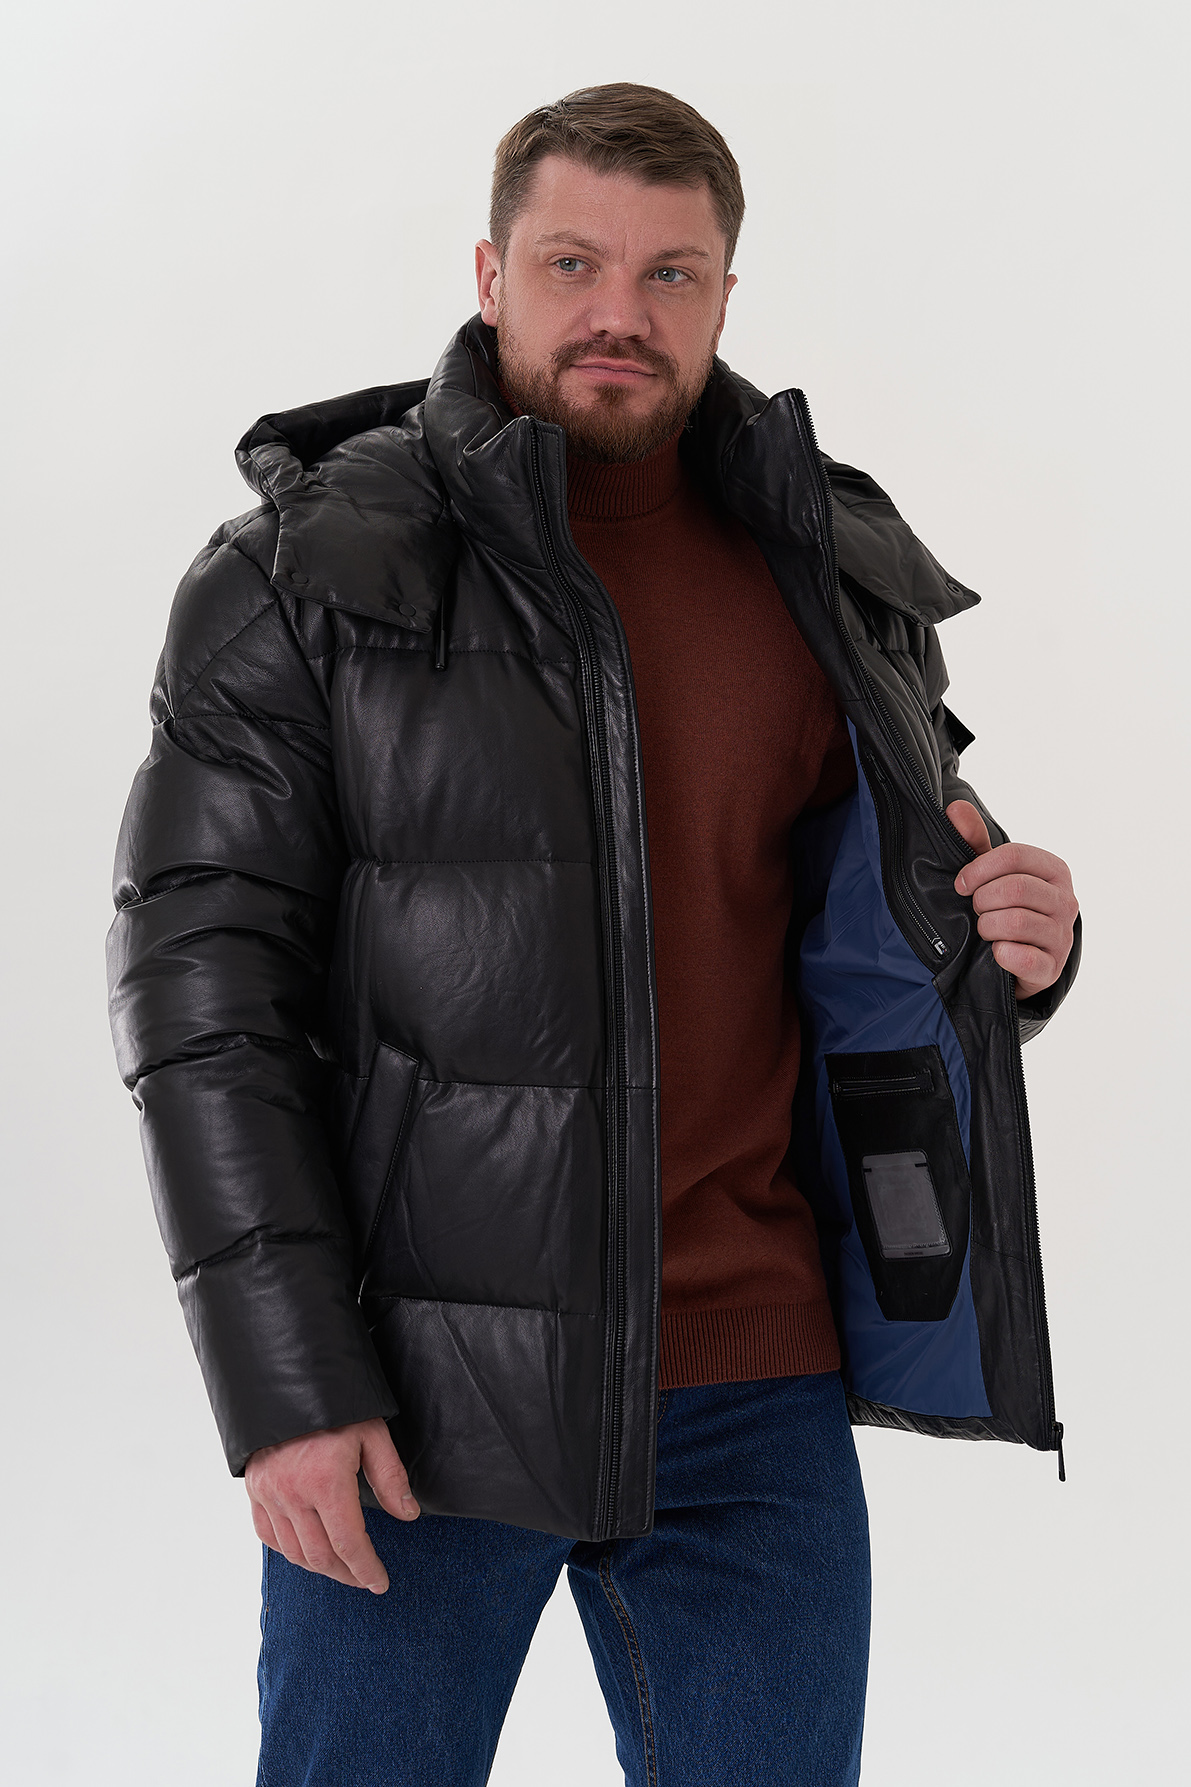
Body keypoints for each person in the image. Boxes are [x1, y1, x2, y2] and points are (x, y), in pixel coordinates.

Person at [106, 82, 1080, 1787]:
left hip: (758, 1387)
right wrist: (287, 1384)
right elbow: (202, 1001)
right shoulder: (305, 573)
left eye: (670, 274)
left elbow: (896, 907)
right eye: (573, 263)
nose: (619, 311)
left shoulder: (825, 561)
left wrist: (1024, 946)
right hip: (423, 1392)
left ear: (723, 296)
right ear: (491, 273)